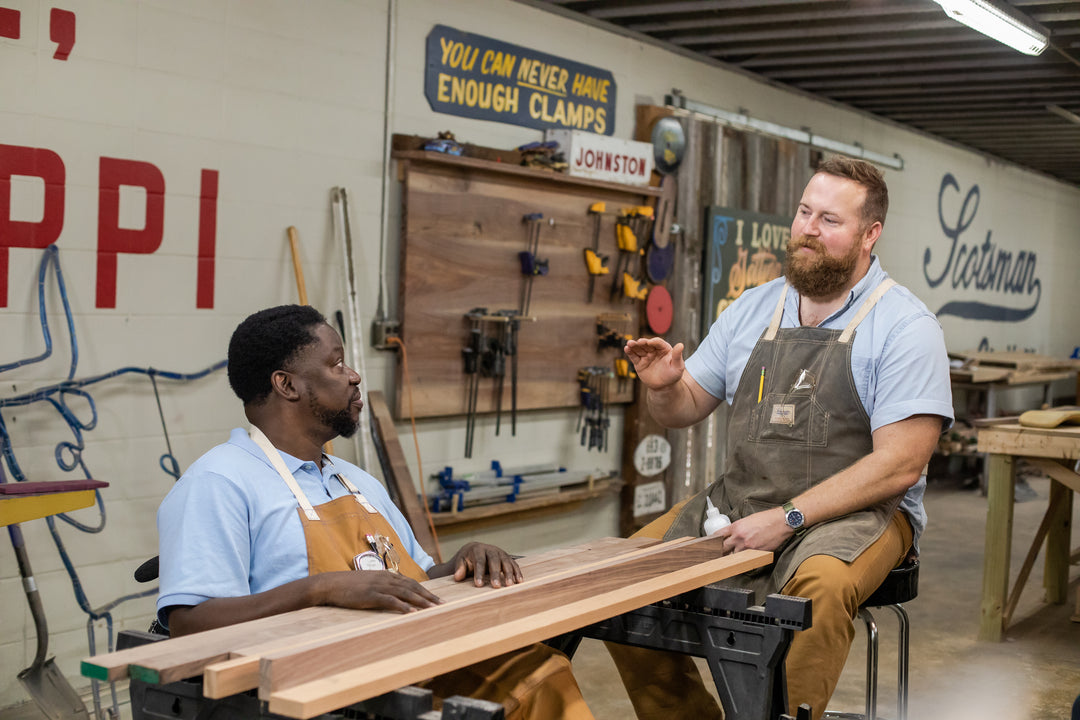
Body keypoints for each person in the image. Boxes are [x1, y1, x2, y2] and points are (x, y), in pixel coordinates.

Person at [610, 156, 953, 720]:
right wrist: (664, 389)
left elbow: (900, 466)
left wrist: (789, 518)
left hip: (860, 513)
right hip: (742, 502)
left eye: (829, 220)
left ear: (871, 235)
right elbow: (684, 407)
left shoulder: (905, 327)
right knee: (623, 578)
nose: (808, 230)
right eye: (803, 212)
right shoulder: (752, 308)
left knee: (814, 592)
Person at [156, 304, 593, 720]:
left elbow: (411, 583)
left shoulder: (355, 481)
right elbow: (189, 624)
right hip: (324, 688)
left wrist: (462, 563)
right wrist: (318, 589)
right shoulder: (220, 482)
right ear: (286, 385)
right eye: (337, 364)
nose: (355, 375)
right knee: (536, 684)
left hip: (406, 659)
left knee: (539, 665)